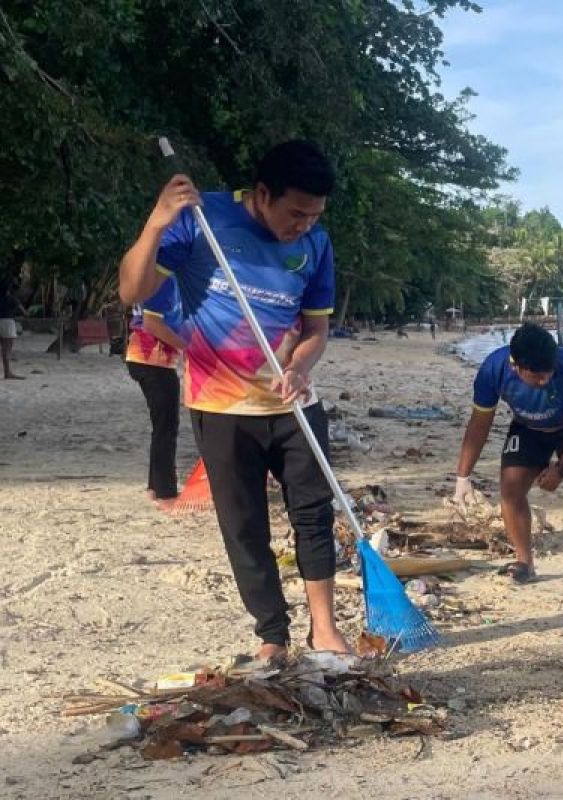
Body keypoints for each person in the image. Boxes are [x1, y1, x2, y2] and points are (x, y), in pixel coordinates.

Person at [119, 140, 350, 660]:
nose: (303, 226)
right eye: (295, 214)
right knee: (244, 526)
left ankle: (325, 628)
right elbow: (132, 291)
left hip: (292, 405)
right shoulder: (202, 220)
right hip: (221, 407)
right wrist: (156, 223)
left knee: (312, 515)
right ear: (262, 193)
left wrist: (299, 366)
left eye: (314, 216)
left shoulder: (316, 244)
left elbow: (316, 329)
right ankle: (272, 635)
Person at [453, 322, 563, 593]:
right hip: (528, 428)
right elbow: (479, 424)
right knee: (510, 489)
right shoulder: (493, 369)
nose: (544, 381)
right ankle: (524, 562)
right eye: (536, 376)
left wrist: (562, 467)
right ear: (516, 366)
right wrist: (463, 476)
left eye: (549, 374)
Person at [126, 277, 186, 509]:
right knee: (166, 426)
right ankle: (165, 493)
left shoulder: (162, 279)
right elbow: (152, 323)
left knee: (163, 426)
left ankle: (156, 487)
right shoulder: (164, 280)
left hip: (150, 360)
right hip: (151, 360)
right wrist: (187, 348)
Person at [0, 279, 24, 380]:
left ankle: (7, 372)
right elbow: (24, 311)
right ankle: (7, 372)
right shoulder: (12, 299)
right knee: (7, 349)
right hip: (8, 322)